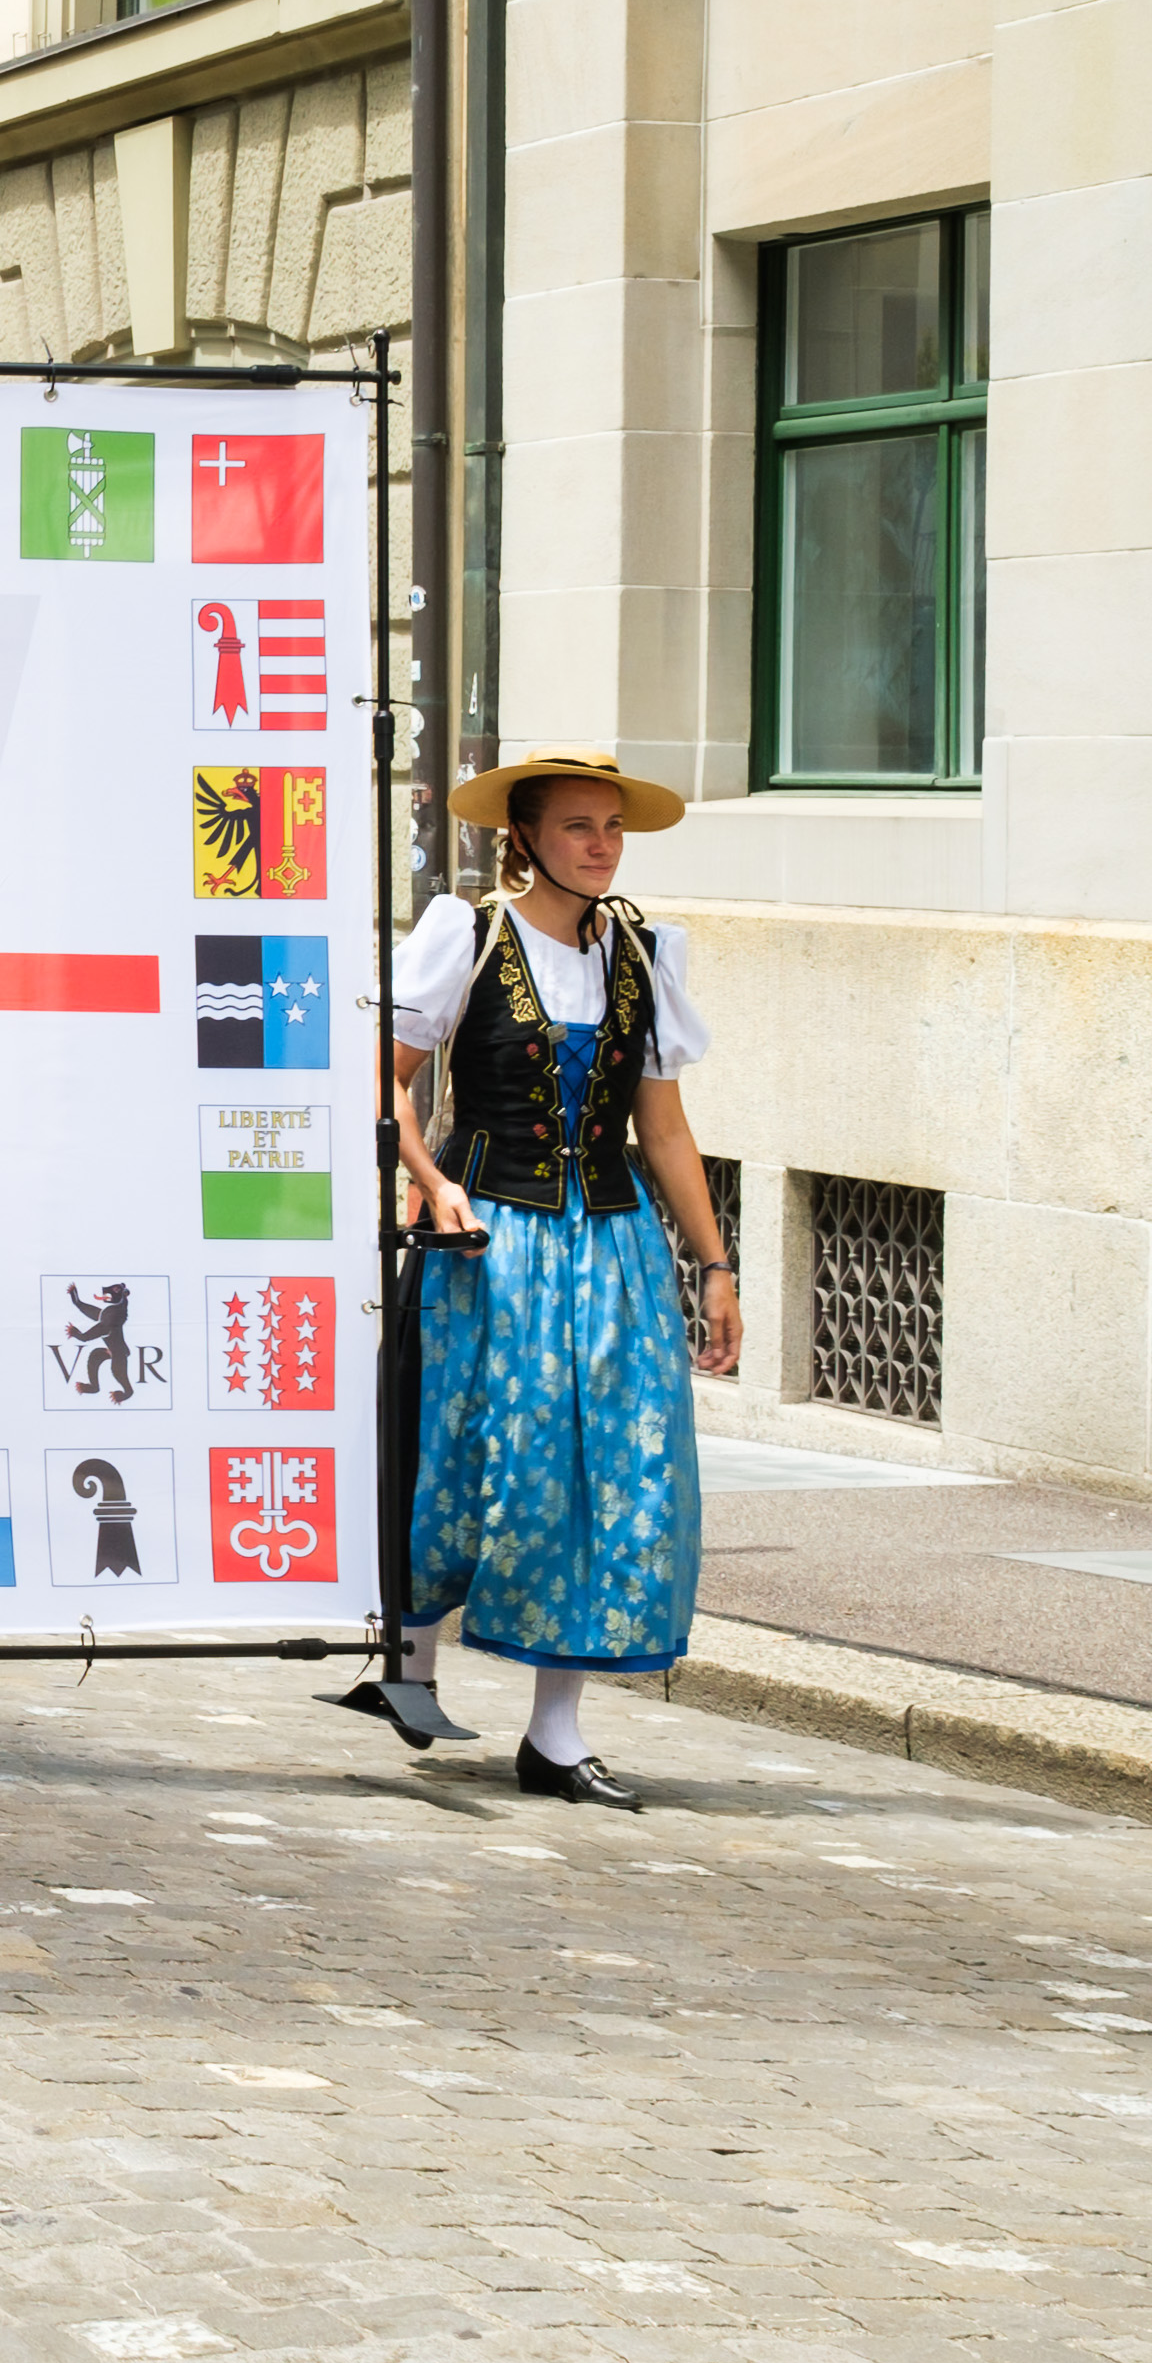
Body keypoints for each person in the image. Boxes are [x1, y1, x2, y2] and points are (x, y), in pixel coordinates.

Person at [354, 750, 735, 1813]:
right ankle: (411, 1661)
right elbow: (382, 1083)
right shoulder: (466, 935)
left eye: (611, 825)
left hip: (608, 1247)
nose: (602, 844)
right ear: (525, 839)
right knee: (477, 1453)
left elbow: (661, 1127)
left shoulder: (644, 955)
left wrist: (715, 1266)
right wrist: (430, 1185)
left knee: (610, 1471)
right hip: (495, 1239)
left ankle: (556, 1734)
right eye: (578, 826)